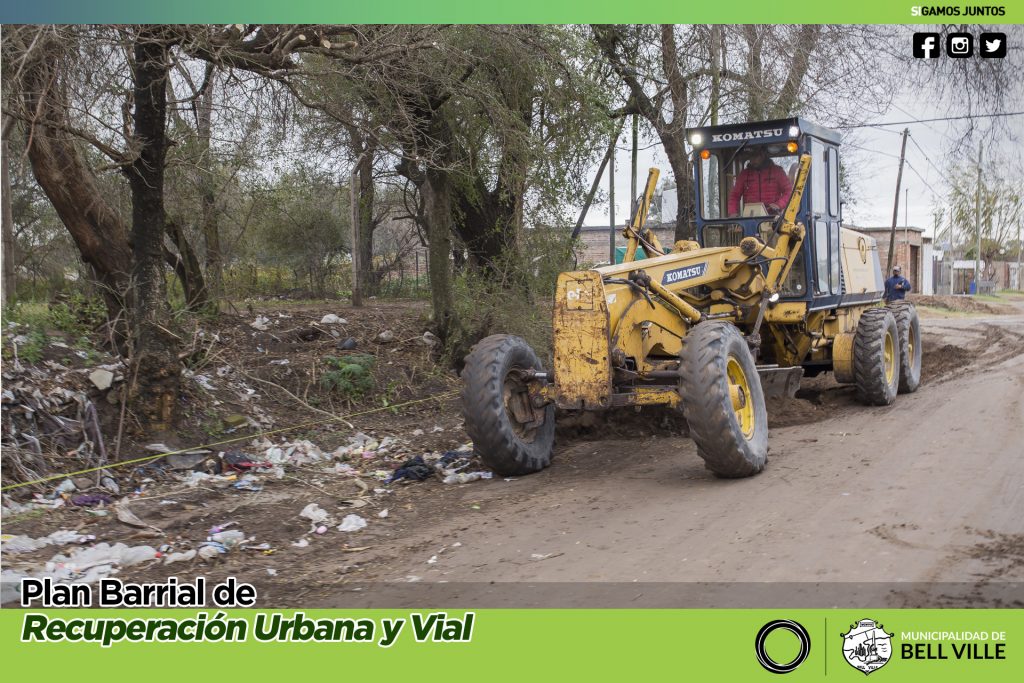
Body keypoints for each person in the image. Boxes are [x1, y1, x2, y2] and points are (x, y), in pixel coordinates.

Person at [727, 147, 793, 216]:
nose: (753, 160)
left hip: (773, 217)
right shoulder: (744, 174)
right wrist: (732, 213)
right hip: (750, 216)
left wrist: (779, 204)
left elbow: (789, 192)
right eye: (751, 157)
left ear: (763, 155)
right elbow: (735, 195)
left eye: (756, 156)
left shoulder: (777, 171)